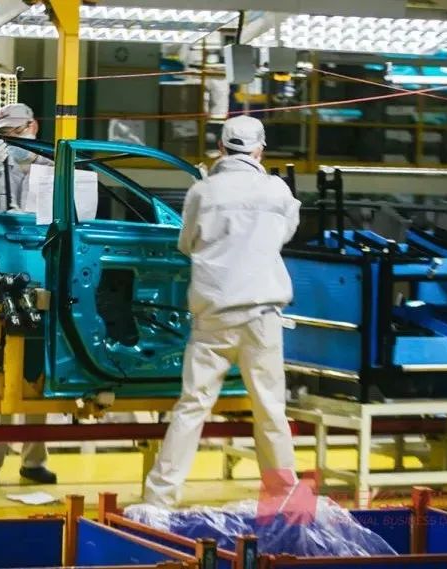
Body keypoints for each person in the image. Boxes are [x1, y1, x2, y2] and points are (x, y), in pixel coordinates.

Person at [142, 115, 301, 507]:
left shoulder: (203, 191)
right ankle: (282, 497)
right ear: (259, 150)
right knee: (270, 409)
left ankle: (159, 498)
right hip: (262, 315)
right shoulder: (277, 190)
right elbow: (284, 234)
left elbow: (186, 243)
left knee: (192, 406)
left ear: (220, 148)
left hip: (214, 315)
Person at [0, 103, 57, 487]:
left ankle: (33, 459)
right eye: (3, 136)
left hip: (41, 272)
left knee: (35, 371)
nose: (9, 141)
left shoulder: (55, 168)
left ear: (33, 126)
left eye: (15, 133)